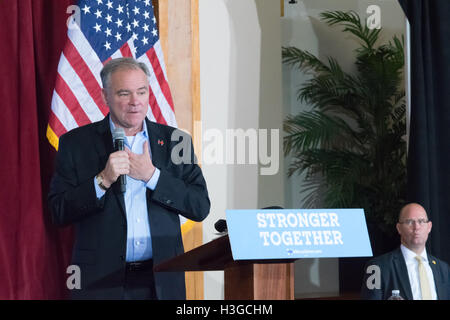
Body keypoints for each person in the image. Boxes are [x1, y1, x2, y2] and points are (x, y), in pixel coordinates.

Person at [48, 57, 210, 300]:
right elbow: (58, 211)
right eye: (124, 93)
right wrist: (102, 180)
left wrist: (152, 176)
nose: (135, 102)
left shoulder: (177, 141)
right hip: (100, 283)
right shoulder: (75, 144)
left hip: (161, 283)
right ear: (105, 96)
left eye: (141, 92)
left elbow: (199, 206)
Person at [361, 203, 450, 300]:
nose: (416, 227)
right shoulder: (376, 268)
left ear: (429, 227)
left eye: (421, 221)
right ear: (399, 228)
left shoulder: (444, 269)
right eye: (409, 222)